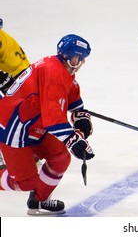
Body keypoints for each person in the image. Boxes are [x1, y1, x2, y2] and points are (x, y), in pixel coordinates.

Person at [0, 34, 95, 215]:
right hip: (14, 126)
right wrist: (73, 140)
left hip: (34, 122)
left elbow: (72, 98)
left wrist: (80, 117)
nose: (82, 62)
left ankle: (39, 200)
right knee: (24, 182)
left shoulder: (61, 68)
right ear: (71, 57)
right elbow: (54, 120)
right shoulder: (53, 73)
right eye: (79, 58)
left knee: (60, 158)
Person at [0, 18, 31, 170]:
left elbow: (26, 78)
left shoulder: (8, 46)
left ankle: (27, 143)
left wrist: (11, 86)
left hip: (14, 78)